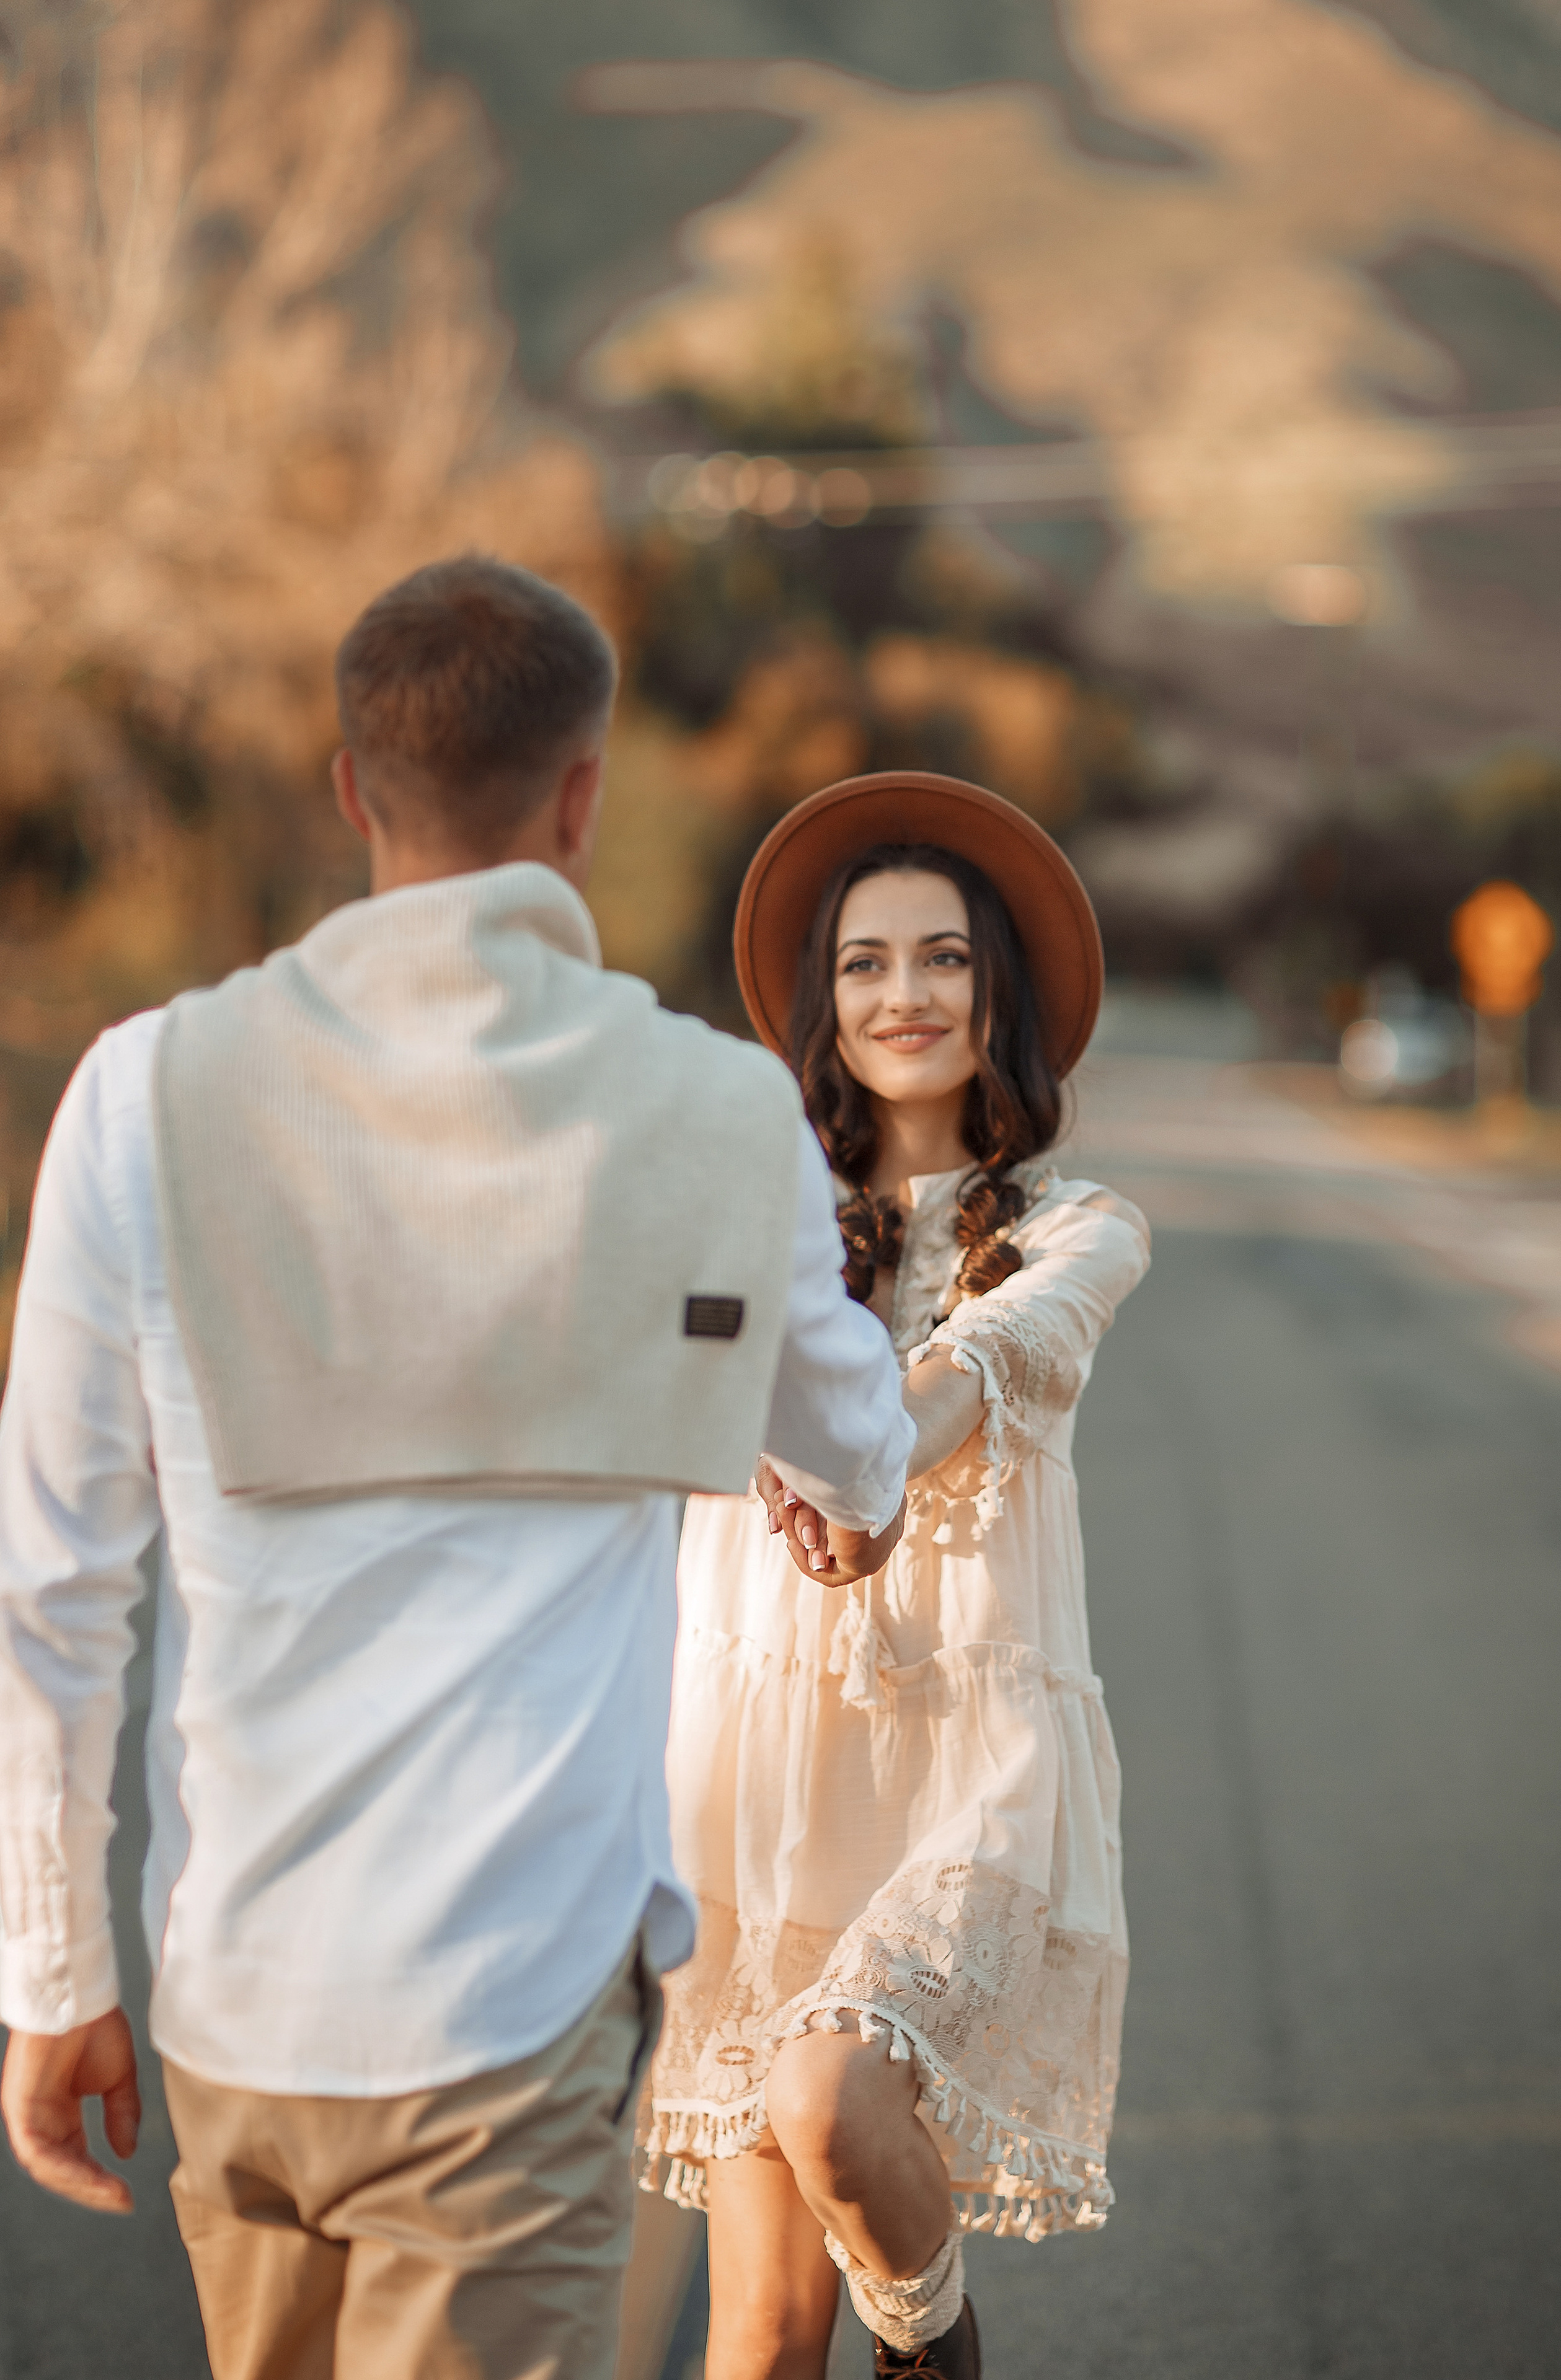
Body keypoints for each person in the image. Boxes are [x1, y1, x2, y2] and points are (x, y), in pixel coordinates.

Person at [0, 559, 916, 2380]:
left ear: (353, 789)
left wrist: (51, 1974)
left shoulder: (137, 1092)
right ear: (581, 798)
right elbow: (862, 1457)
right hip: (513, 2010)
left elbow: (54, 1587)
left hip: (232, 2002)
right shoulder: (716, 1111)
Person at [641, 773, 1152, 2379]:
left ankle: (933, 2345)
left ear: (999, 996)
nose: (904, 994)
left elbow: (970, 1375)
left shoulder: (1080, 1230)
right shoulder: (748, 1221)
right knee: (761, 2329)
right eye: (864, 962)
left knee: (829, 2092)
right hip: (756, 1781)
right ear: (824, 1000)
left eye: (945, 957)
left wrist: (862, 1472)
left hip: (964, 1778)